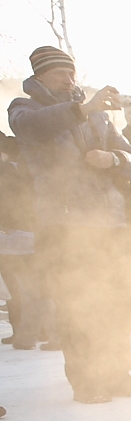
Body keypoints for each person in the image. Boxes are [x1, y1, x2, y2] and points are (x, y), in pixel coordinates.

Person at [8, 46, 131, 403]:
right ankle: (87, 383)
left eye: (71, 72)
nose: (68, 79)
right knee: (77, 306)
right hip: (63, 227)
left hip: (109, 224)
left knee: (114, 304)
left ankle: (118, 376)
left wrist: (113, 159)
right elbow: (34, 128)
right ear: (40, 76)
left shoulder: (97, 115)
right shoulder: (24, 108)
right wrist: (83, 109)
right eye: (60, 73)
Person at [0, 131, 55, 351]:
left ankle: (32, 336)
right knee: (36, 287)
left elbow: (9, 204)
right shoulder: (23, 164)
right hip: (30, 232)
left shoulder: (8, 171)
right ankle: (38, 334)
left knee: (28, 288)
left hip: (15, 236)